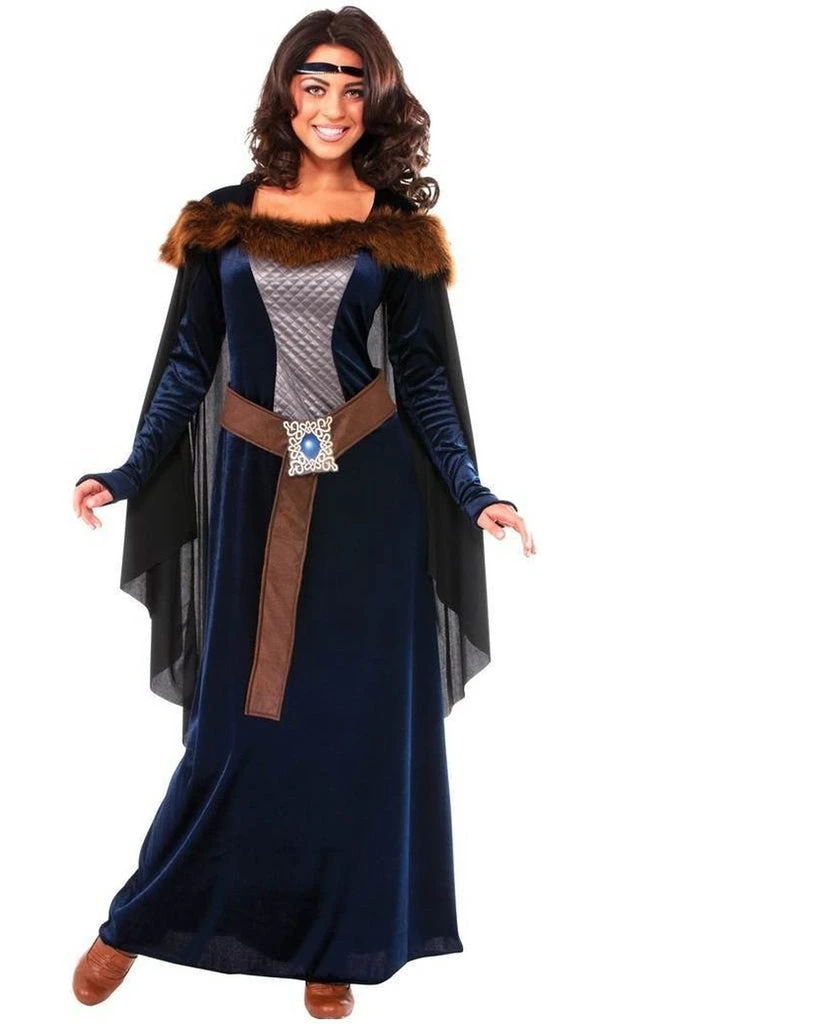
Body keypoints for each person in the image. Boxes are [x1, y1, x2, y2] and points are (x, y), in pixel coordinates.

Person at [70, 7, 535, 1018]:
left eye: (355, 87)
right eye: (315, 82)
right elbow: (188, 363)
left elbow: (422, 378)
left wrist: (474, 491)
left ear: (378, 103)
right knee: (235, 734)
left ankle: (338, 943)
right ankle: (133, 921)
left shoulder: (396, 231)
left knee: (354, 732)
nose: (334, 105)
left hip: (369, 508)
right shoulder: (221, 221)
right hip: (255, 496)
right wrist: (133, 468)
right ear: (286, 92)